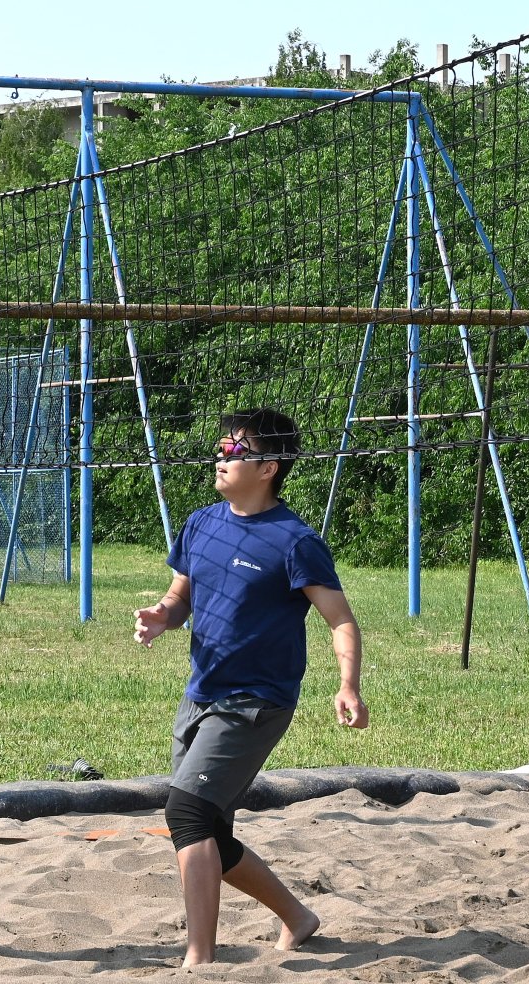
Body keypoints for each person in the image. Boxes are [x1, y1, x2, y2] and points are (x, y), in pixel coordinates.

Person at [133, 407, 368, 968]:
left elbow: (341, 619)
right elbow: (181, 594)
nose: (221, 457)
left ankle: (199, 961)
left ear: (268, 467)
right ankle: (298, 917)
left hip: (255, 702)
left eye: (233, 451)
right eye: (220, 448)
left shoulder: (294, 541)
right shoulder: (201, 522)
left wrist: (348, 685)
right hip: (200, 694)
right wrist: (162, 615)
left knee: (185, 816)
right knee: (209, 829)